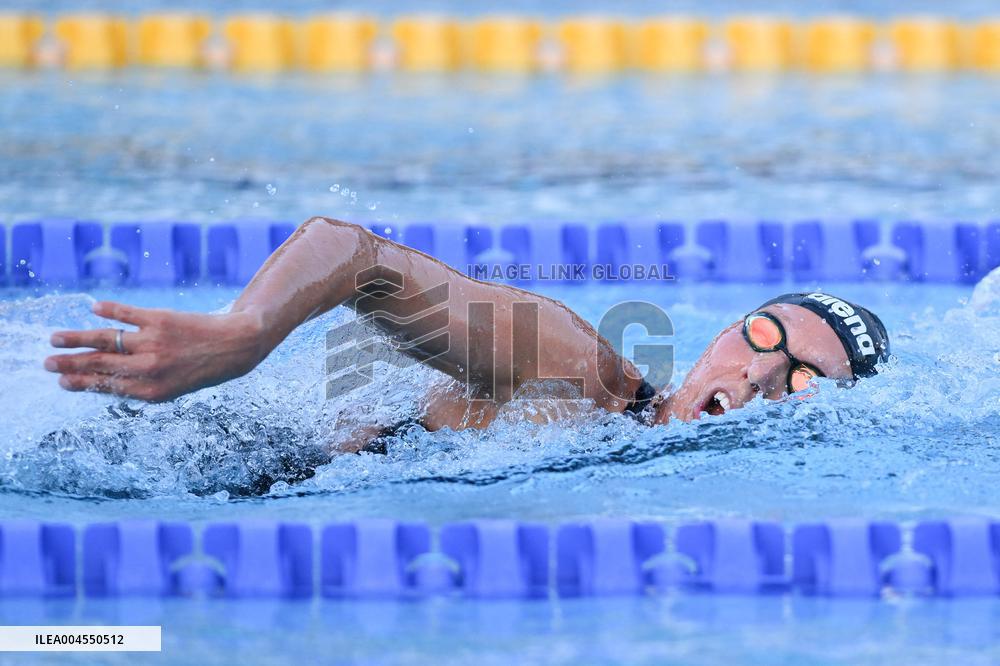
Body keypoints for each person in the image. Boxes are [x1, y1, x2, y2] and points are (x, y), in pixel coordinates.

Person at [43, 217, 891, 451]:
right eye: (764, 334)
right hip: (208, 464)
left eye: (804, 380)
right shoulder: (578, 370)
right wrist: (246, 332)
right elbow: (355, 253)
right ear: (722, 333)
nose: (757, 377)